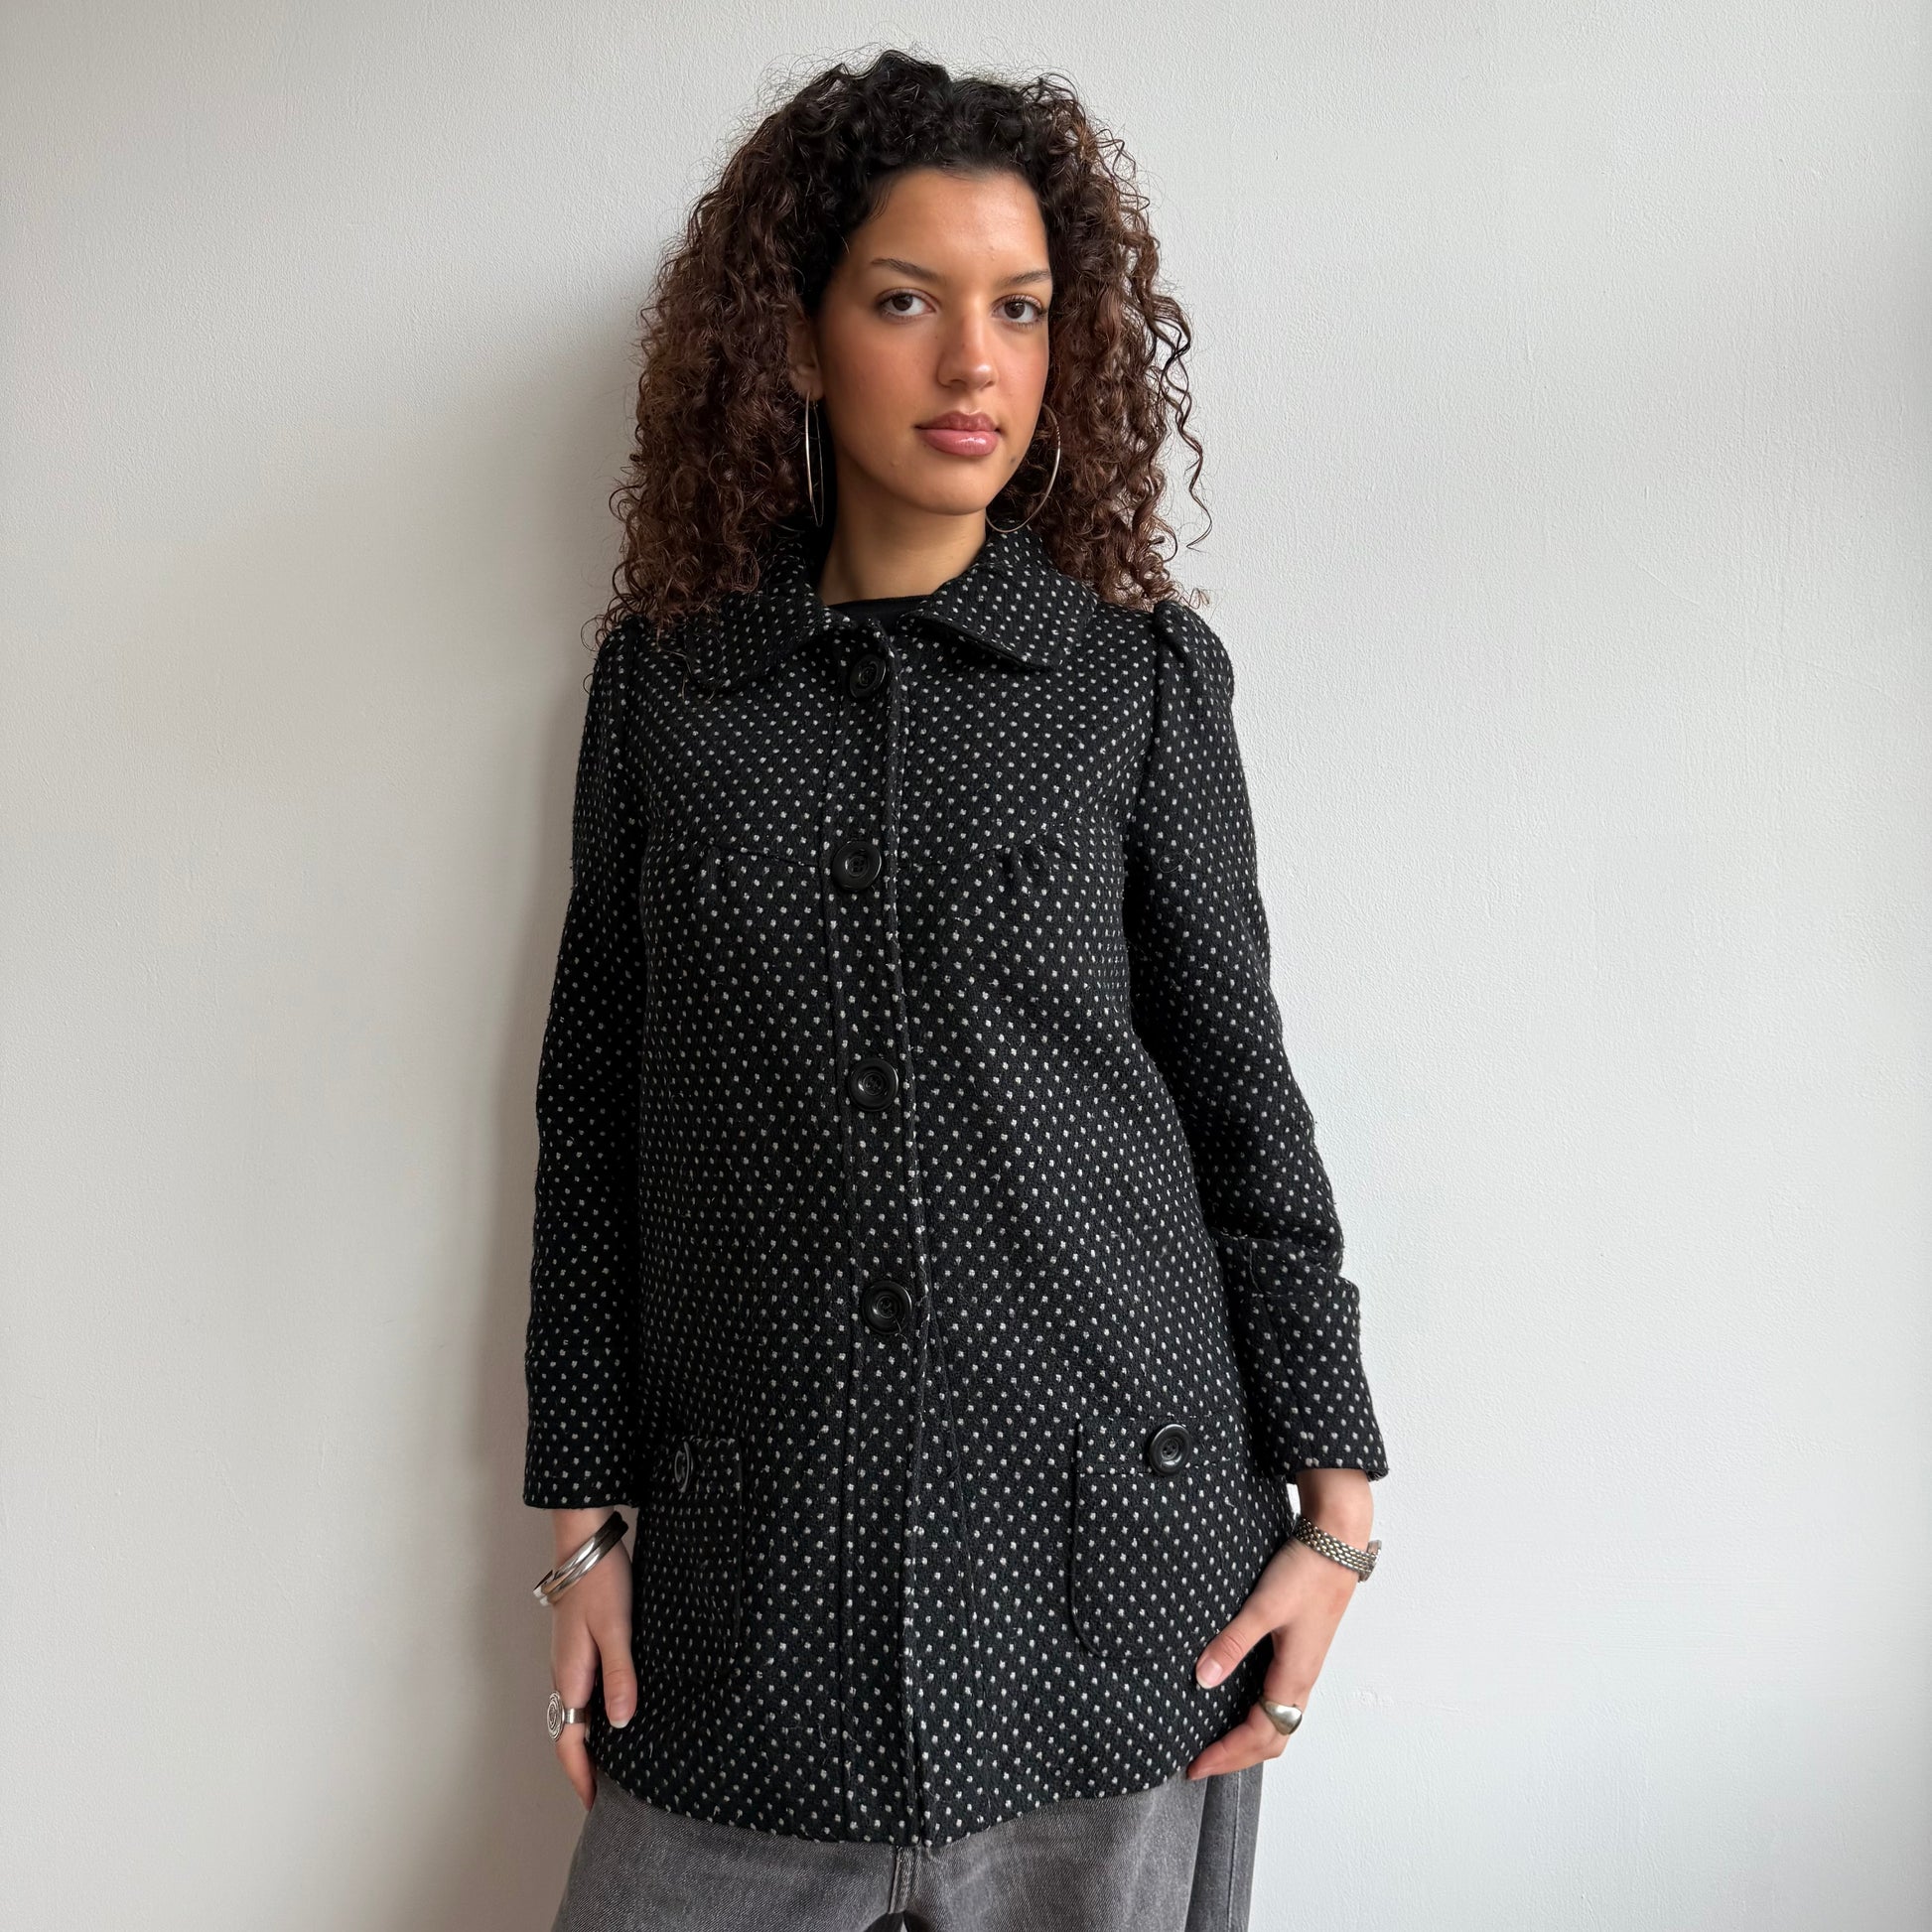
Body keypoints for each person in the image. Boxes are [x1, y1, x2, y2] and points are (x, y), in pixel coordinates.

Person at [521, 48, 1391, 1932]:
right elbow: (592, 1118)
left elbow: (1241, 1103)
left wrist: (1338, 1516)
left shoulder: (1135, 682)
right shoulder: (671, 688)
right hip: (749, 1612)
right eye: (907, 302)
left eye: (1020, 309)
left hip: (1121, 1602)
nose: (972, 363)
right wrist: (580, 1526)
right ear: (796, 337)